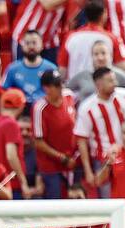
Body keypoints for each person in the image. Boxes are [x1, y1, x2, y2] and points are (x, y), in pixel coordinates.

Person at [75, 67, 125, 198]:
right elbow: (81, 139)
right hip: (103, 159)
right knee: (108, 198)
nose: (114, 83)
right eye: (110, 81)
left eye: (114, 79)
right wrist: (88, 170)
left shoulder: (124, 95)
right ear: (99, 84)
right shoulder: (87, 108)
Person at [31, 69, 78, 199]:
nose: (61, 88)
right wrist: (61, 158)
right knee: (55, 200)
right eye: (56, 85)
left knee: (75, 199)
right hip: (51, 164)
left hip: (72, 159)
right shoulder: (40, 108)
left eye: (61, 84)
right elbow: (38, 142)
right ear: (47, 88)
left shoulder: (69, 96)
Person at [3, 30, 57, 104]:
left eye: (34, 43)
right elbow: (4, 90)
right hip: (20, 110)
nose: (31, 46)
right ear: (22, 46)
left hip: (43, 110)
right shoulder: (12, 68)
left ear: (42, 45)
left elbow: (57, 94)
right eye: (27, 43)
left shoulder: (51, 69)